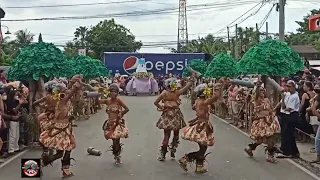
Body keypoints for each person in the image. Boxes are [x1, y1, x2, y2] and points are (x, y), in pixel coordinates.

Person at [39, 77, 81, 178]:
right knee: (64, 150)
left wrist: (73, 81)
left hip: (65, 128)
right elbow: (69, 93)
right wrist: (76, 87)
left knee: (62, 152)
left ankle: (61, 169)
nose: (66, 92)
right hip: (61, 129)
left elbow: (67, 90)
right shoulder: (62, 101)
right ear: (59, 93)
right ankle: (63, 169)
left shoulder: (65, 100)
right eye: (64, 92)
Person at [177, 84, 222, 173]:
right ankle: (185, 159)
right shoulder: (204, 102)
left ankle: (199, 167)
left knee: (203, 148)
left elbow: (195, 108)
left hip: (200, 124)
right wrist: (218, 88)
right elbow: (216, 97)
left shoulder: (198, 101)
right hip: (202, 126)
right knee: (203, 148)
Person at [154, 74, 195, 161]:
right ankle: (173, 150)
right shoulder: (177, 93)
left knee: (166, 135)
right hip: (176, 115)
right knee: (176, 134)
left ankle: (163, 154)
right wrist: (192, 79)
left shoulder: (164, 93)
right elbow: (186, 87)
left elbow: (156, 102)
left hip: (166, 115)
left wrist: (162, 108)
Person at [244, 84, 280, 163]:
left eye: (263, 90)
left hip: (269, 121)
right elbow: (254, 96)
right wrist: (257, 86)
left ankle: (270, 155)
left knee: (270, 138)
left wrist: (272, 115)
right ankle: (250, 148)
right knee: (260, 140)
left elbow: (271, 109)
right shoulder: (257, 100)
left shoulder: (267, 100)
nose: (262, 91)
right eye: (260, 90)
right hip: (260, 122)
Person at [100, 83, 129, 165]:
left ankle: (117, 155)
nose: (113, 93)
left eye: (115, 92)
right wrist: (96, 94)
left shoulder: (118, 101)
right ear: (109, 92)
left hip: (118, 124)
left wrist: (121, 114)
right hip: (110, 124)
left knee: (116, 141)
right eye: (112, 91)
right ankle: (116, 155)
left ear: (117, 93)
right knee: (114, 141)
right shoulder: (107, 101)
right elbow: (98, 101)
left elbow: (127, 109)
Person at [32, 80, 59, 159]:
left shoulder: (47, 97)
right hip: (56, 118)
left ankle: (45, 150)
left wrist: (43, 106)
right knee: (52, 134)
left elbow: (35, 103)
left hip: (47, 118)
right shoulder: (57, 97)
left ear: (47, 89)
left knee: (43, 134)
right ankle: (51, 148)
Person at [277, 80, 300, 158]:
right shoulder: (288, 94)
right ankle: (292, 151)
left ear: (293, 87)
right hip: (287, 115)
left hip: (292, 115)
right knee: (287, 134)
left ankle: (288, 152)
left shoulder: (295, 96)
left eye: (289, 86)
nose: (288, 88)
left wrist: (284, 109)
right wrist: (283, 97)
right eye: (287, 86)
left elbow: (289, 109)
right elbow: (283, 107)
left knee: (288, 134)